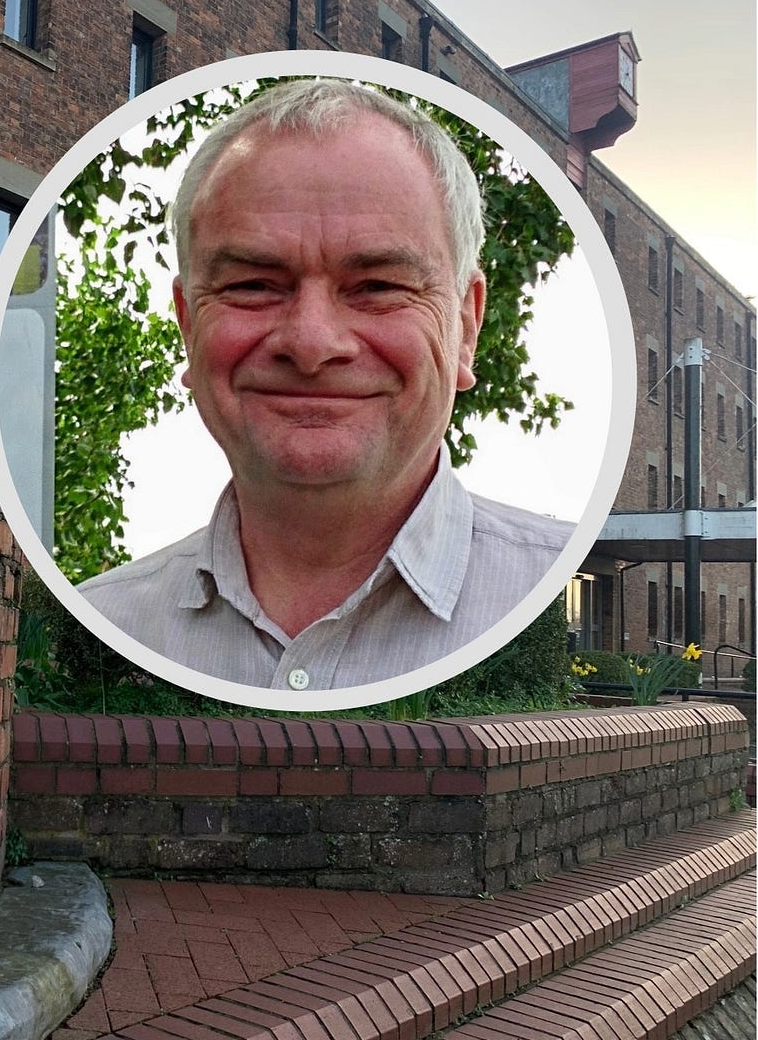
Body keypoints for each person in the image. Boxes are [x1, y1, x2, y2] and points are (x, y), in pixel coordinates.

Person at [77, 79, 575, 691]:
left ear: (465, 327)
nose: (312, 343)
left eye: (378, 287)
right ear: (187, 323)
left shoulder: (556, 585)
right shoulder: (102, 623)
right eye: (253, 285)